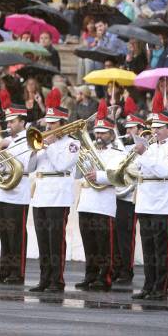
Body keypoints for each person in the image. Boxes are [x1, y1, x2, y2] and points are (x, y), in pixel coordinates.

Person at [28, 89, 80, 292]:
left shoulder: (72, 144)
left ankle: (56, 280)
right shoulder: (42, 143)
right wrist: (34, 151)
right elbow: (30, 168)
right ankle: (44, 278)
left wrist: (47, 146)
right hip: (41, 194)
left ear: (62, 125)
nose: (48, 127)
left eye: (53, 123)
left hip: (59, 194)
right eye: (47, 123)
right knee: (42, 239)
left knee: (55, 240)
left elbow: (61, 165)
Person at [131, 107, 168, 301]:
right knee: (148, 248)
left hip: (163, 203)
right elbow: (136, 169)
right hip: (145, 201)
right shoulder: (150, 148)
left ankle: (160, 288)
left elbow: (164, 171)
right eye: (154, 127)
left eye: (160, 127)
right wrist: (138, 156)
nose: (156, 131)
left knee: (162, 249)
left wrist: (144, 155)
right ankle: (148, 285)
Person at [75, 100, 123, 291]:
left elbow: (119, 176)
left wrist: (100, 176)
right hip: (86, 201)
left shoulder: (117, 152)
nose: (99, 136)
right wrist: (77, 157)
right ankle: (90, 275)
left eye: (103, 133)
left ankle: (105, 277)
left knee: (105, 244)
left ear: (111, 134)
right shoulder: (89, 150)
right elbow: (76, 175)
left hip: (104, 203)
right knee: (89, 243)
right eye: (97, 132)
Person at [0, 104, 32, 284]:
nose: (9, 125)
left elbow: (27, 165)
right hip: (2, 191)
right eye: (8, 121)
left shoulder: (28, 140)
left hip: (18, 191)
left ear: (22, 122)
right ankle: (4, 269)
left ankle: (17, 272)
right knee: (4, 233)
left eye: (13, 121)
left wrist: (9, 146)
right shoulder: (6, 141)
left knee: (17, 234)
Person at [113, 106, 146, 284]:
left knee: (127, 236)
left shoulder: (143, 148)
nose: (127, 131)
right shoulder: (125, 147)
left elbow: (134, 170)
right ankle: (118, 268)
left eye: (131, 128)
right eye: (126, 128)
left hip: (133, 197)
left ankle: (127, 270)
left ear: (140, 130)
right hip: (121, 196)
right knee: (118, 235)